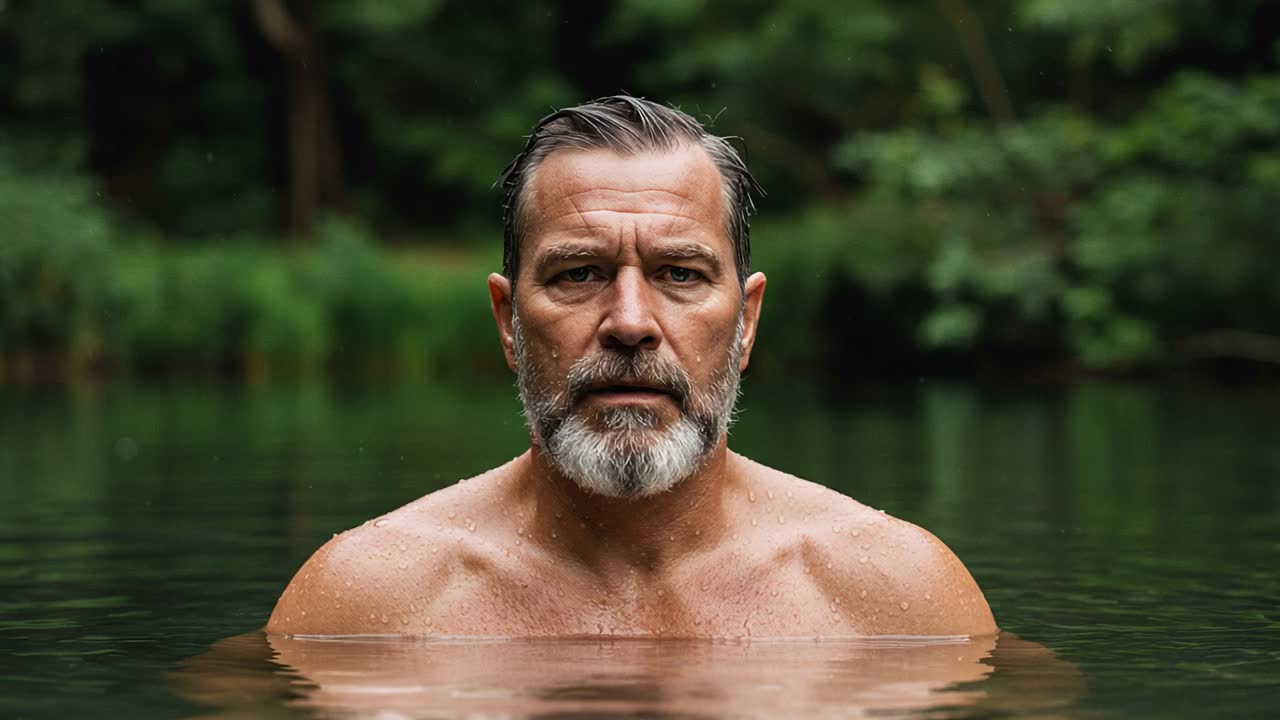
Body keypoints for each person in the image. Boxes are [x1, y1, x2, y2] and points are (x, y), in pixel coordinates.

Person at [267, 96, 997, 638]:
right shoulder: (364, 603)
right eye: (579, 273)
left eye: (679, 274)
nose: (630, 323)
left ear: (746, 322)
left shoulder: (900, 597)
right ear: (508, 322)